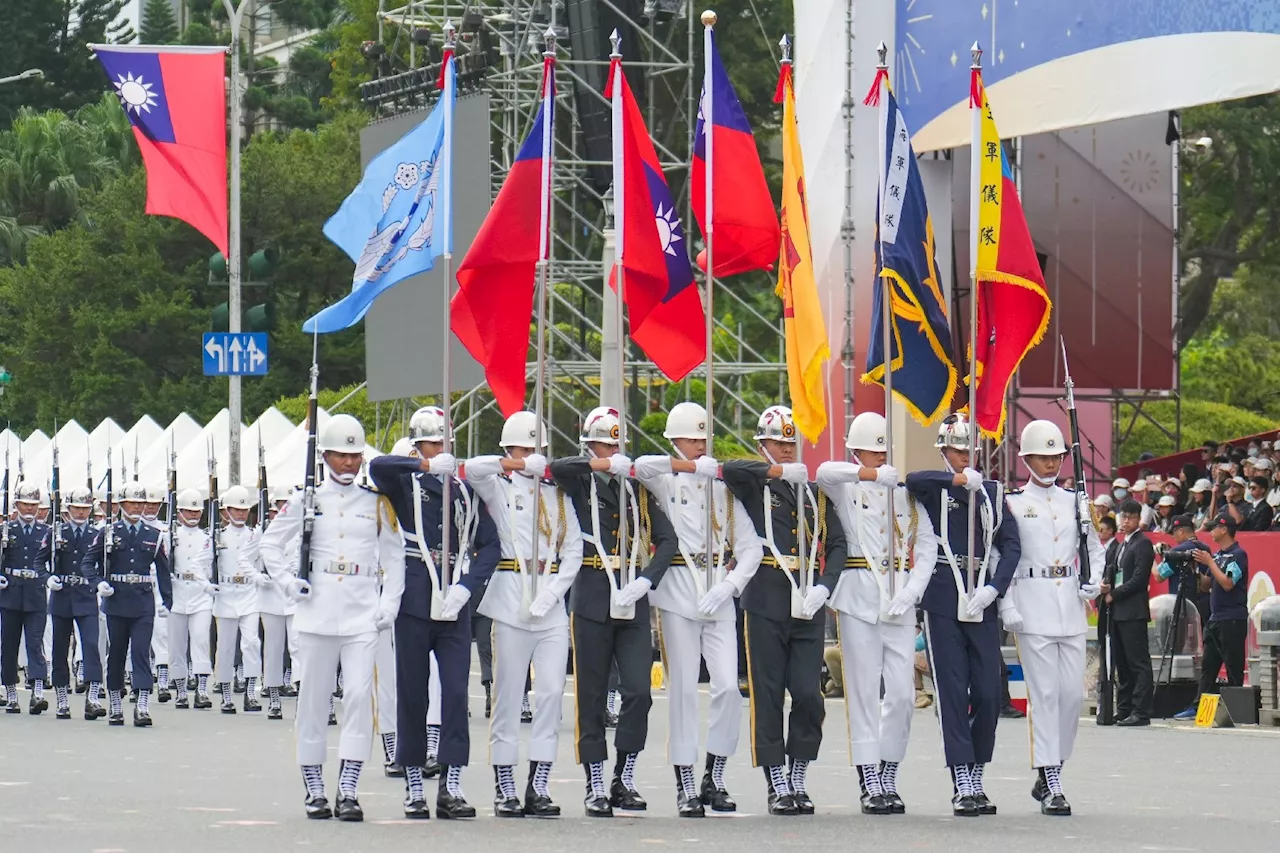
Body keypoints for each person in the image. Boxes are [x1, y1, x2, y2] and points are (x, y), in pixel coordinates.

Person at [259, 413, 405, 822]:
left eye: (355, 456)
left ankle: (349, 789)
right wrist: (289, 583)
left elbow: (395, 559)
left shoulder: (376, 502)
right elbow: (271, 545)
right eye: (341, 456)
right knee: (313, 700)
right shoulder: (306, 500)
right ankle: (315, 789)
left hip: (361, 614)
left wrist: (388, 604)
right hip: (316, 613)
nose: (349, 464)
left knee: (360, 697)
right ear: (324, 456)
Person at [369, 406, 501, 820]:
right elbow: (377, 466)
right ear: (418, 444)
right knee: (412, 693)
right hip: (413, 598)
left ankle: (451, 785)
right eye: (432, 443)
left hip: (452, 603)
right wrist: (423, 464)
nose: (441, 449)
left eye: (444, 443)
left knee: (456, 694)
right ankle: (412, 784)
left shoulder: (463, 492)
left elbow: (491, 545)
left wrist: (467, 587)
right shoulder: (404, 484)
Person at [634, 402, 763, 817]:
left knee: (728, 687)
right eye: (693, 438)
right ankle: (685, 781)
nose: (701, 445)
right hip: (676, 596)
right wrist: (689, 467)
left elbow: (751, 550)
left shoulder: (722, 489)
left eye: (704, 438)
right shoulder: (664, 482)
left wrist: (729, 586)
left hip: (717, 597)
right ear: (675, 440)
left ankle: (715, 774)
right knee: (684, 691)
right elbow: (641, 465)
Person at [549, 405, 678, 817]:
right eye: (605, 442)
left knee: (638, 691)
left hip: (631, 596)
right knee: (590, 694)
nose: (613, 448)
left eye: (616, 442)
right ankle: (594, 783)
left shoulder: (635, 488)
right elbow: (555, 466)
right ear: (591, 444)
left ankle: (624, 775)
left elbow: (668, 539)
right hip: (590, 595)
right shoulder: (579, 478)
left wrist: (648, 579)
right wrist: (599, 462)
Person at [722, 406, 847, 816]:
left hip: (807, 599)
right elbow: (729, 468)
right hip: (766, 597)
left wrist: (825, 589)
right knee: (769, 692)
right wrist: (775, 472)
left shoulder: (813, 492)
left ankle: (798, 774)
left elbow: (837, 545)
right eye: (779, 442)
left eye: (792, 443)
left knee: (809, 694)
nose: (788, 449)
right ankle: (777, 781)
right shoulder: (755, 483)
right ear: (763, 445)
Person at [463, 410, 583, 819]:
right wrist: (514, 465)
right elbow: (472, 469)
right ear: (509, 448)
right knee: (509, 696)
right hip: (510, 600)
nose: (532, 455)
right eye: (523, 448)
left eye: (537, 449)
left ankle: (540, 784)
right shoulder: (498, 487)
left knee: (551, 694)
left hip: (548, 605)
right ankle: (505, 786)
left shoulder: (557, 494)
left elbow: (573, 552)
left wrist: (552, 595)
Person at [816, 410, 933, 816]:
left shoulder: (903, 491)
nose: (878, 458)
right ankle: (868, 777)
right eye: (869, 451)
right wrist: (866, 476)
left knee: (901, 694)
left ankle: (889, 770)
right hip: (859, 598)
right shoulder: (845, 488)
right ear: (855, 451)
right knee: (864, 692)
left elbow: (928, 546)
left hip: (899, 598)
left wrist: (914, 591)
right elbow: (825, 473)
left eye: (882, 451)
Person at [904, 413, 1020, 817]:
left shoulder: (991, 491)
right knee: (952, 690)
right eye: (955, 449)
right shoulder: (937, 487)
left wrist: (995, 588)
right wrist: (955, 481)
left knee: (989, 690)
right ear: (944, 450)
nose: (962, 456)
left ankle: (978, 765)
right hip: (942, 595)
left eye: (968, 449)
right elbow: (913, 480)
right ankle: (962, 778)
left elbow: (1012, 545)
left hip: (981, 595)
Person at [1000, 421, 1105, 817]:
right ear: (1026, 459)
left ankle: (1052, 769)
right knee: (1043, 695)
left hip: (1071, 607)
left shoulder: (1075, 501)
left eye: (1056, 456)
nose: (1050, 463)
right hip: (1033, 604)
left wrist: (1093, 579)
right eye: (1042, 457)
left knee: (1072, 696)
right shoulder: (1012, 503)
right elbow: (1004, 556)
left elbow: (1093, 546)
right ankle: (1052, 778)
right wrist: (1007, 602)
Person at [80, 481, 173, 727]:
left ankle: (142, 705)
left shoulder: (154, 535)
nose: (136, 507)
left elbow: (163, 571)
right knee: (117, 654)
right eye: (131, 502)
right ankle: (116, 704)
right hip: (116, 600)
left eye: (140, 503)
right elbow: (88, 564)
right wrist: (98, 583)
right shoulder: (109, 532)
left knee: (141, 652)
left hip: (143, 601)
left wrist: (168, 602)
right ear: (121, 505)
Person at [1179, 516, 1249, 717]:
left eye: (1213, 528)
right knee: (1208, 666)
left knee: (1233, 665)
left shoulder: (1238, 554)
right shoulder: (1217, 555)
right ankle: (1198, 706)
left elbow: (1228, 583)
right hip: (1215, 618)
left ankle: (1236, 709)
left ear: (1224, 529)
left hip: (1232, 617)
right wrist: (1197, 570)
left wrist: (1209, 561)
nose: (1210, 532)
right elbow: (1206, 585)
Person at [47, 486, 107, 720]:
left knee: (91, 647)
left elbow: (103, 564)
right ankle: (62, 699)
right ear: (68, 509)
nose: (80, 513)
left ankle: (92, 698)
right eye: (76, 509)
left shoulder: (98, 534)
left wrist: (100, 582)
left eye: (84, 509)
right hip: (62, 595)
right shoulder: (56, 533)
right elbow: (40, 562)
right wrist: (48, 578)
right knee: (60, 649)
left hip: (86, 595)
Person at [212, 485, 269, 713]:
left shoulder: (256, 535)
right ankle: (226, 695)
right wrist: (207, 584)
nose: (240, 514)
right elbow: (201, 563)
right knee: (225, 647)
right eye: (236, 510)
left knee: (252, 643)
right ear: (226, 511)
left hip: (249, 594)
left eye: (244, 510)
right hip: (225, 594)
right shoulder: (217, 536)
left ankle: (250, 692)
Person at [1101, 500, 1154, 726]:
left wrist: (1115, 593)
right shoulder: (1122, 545)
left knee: (1138, 662)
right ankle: (1124, 708)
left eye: (1130, 517)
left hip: (1133, 610)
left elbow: (1139, 580)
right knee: (1121, 663)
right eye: (1123, 517)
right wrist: (1106, 586)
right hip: (1118, 611)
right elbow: (1116, 573)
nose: (1126, 521)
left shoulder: (1143, 543)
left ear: (1137, 518)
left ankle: (1141, 711)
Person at [2, 482, 53, 714]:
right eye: (25, 504)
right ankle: (11, 692)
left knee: (35, 643)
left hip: (35, 592)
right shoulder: (7, 530)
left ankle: (38, 690)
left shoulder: (47, 532)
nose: (30, 509)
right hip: (11, 593)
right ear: (17, 504)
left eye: (34, 505)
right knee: (9, 645)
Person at [166, 488, 215, 711]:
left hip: (200, 594)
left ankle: (202, 690)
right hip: (176, 592)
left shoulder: (208, 537)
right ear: (179, 512)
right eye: (189, 511)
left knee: (200, 640)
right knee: (177, 646)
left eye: (196, 511)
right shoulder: (170, 535)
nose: (193, 515)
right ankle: (182, 691)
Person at [258, 487, 299, 719]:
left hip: (294, 597)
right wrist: (257, 576)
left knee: (298, 646)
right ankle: (274, 699)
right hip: (272, 596)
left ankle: (303, 693)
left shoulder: (304, 530)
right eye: (280, 504)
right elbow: (247, 557)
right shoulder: (264, 532)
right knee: (273, 649)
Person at [142, 484, 173, 702]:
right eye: (148, 504)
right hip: (139, 584)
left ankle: (162, 681)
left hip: (158, 584)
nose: (151, 508)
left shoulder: (165, 530)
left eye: (155, 504)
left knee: (162, 634)